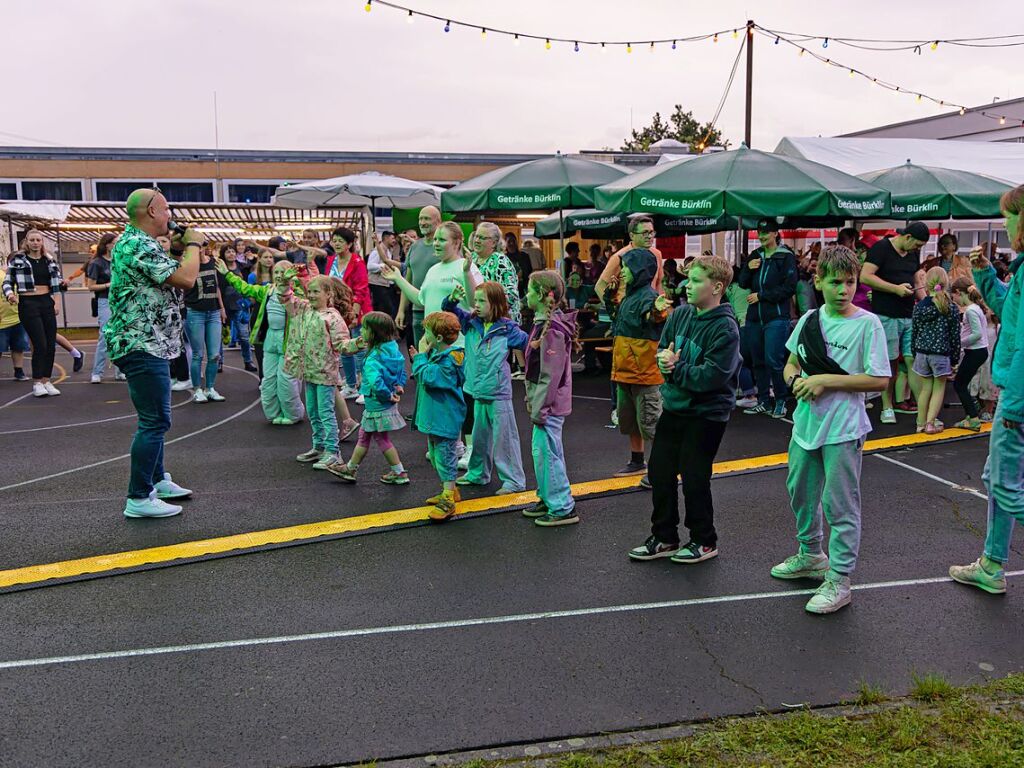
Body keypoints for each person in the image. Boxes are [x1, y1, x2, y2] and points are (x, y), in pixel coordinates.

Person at [769, 246, 891, 614]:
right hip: (806, 423)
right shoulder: (808, 320)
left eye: (849, 282)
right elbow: (790, 365)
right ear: (818, 281)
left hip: (844, 427)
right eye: (835, 282)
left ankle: (840, 578)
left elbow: (880, 380)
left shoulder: (868, 324)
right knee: (800, 492)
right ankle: (811, 553)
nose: (842, 289)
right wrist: (796, 384)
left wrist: (825, 379)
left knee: (839, 503)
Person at [627, 256, 741, 563]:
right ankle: (665, 537)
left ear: (717, 287)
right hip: (676, 406)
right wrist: (666, 362)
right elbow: (664, 350)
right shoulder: (680, 315)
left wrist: (676, 368)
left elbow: (712, 377)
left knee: (694, 477)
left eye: (695, 280)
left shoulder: (726, 329)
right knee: (660, 471)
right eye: (687, 279)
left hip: (707, 414)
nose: (686, 285)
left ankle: (704, 540)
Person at [103, 188, 200, 518]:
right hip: (142, 344)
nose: (171, 215)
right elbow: (186, 278)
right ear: (151, 212)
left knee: (155, 419)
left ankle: (157, 480)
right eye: (167, 209)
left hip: (150, 342)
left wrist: (184, 248)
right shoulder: (137, 244)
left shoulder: (136, 243)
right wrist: (194, 244)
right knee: (155, 420)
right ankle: (139, 497)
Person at [949, 185, 1024, 597]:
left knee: (1003, 484)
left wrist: (1012, 404)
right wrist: (985, 276)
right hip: (1015, 395)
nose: (1006, 224)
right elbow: (1010, 309)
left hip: (1018, 400)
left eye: (1010, 216)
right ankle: (992, 565)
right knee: (999, 481)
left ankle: (992, 565)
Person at [443, 280, 529, 495]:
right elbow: (448, 308)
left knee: (505, 439)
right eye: (476, 300)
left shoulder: (508, 329)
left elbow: (529, 344)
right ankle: (478, 473)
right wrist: (453, 298)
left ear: (495, 303)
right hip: (476, 389)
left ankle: (514, 480)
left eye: (482, 301)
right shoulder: (471, 323)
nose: (477, 305)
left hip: (498, 393)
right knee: (480, 436)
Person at [215, 256, 306, 425]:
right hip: (270, 338)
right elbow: (245, 288)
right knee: (269, 380)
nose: (279, 275)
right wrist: (227, 274)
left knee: (286, 380)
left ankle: (293, 414)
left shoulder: (298, 293)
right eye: (276, 272)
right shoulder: (267, 291)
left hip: (290, 341)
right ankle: (273, 413)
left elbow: (302, 301)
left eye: (283, 271)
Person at [520, 270, 579, 527]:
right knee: (543, 452)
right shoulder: (543, 325)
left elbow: (550, 374)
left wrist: (540, 407)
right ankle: (548, 496)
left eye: (531, 290)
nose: (526, 295)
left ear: (545, 296)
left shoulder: (551, 329)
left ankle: (562, 505)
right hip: (545, 403)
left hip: (549, 406)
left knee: (548, 454)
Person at [860, 221, 931, 424]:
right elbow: (865, 276)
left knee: (912, 361)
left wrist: (928, 303)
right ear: (907, 238)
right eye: (917, 245)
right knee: (889, 363)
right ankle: (887, 406)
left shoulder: (912, 253)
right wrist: (894, 289)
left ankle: (923, 410)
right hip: (886, 314)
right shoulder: (881, 248)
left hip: (909, 314)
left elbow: (917, 280)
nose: (918, 250)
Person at [608, 249, 670, 478]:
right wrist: (610, 294)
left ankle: (661, 468)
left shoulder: (648, 297)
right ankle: (637, 460)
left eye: (626, 267)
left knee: (651, 423)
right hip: (625, 372)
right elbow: (616, 317)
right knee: (631, 421)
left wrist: (657, 310)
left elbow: (654, 315)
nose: (622, 272)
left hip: (644, 373)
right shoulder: (627, 296)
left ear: (639, 271)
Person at [327, 311, 409, 484]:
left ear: (374, 333)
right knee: (365, 435)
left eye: (365, 328)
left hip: (376, 404)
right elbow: (402, 370)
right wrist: (398, 386)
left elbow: (376, 382)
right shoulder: (393, 348)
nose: (361, 332)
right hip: (386, 401)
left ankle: (399, 472)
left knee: (381, 438)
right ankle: (351, 468)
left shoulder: (373, 358)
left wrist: (387, 395)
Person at [281, 274, 351, 470]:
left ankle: (333, 452)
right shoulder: (303, 309)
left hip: (325, 372)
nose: (311, 295)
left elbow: (341, 343)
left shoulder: (332, 317)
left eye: (315, 292)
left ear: (328, 293)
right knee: (312, 411)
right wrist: (285, 283)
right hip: (309, 371)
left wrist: (356, 344)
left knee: (325, 412)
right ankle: (319, 447)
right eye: (309, 291)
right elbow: (285, 297)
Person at [737, 219, 798, 419]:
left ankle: (780, 400)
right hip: (755, 317)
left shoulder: (785, 257)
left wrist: (762, 296)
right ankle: (763, 400)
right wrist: (748, 267)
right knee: (758, 361)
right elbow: (743, 282)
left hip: (776, 317)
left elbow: (789, 288)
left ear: (775, 234)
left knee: (774, 360)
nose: (762, 236)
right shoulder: (756, 256)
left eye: (765, 233)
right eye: (759, 233)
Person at [412, 311, 467, 521]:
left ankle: (448, 499)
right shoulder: (439, 356)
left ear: (439, 338)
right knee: (436, 457)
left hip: (444, 418)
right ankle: (451, 490)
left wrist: (419, 357)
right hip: (436, 418)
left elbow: (428, 377)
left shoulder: (450, 361)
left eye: (427, 332)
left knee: (444, 456)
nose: (424, 336)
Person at [2, 229, 67, 396]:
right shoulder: (18, 260)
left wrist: (57, 301)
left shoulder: (49, 260)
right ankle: (37, 382)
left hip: (46, 301)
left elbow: (57, 284)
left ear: (42, 242)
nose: (35, 243)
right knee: (40, 344)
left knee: (50, 345)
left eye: (38, 240)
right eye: (32, 240)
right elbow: (8, 282)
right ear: (27, 242)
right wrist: (10, 294)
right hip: (28, 302)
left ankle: (47, 380)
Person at [911, 266, 961, 435]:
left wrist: (914, 351)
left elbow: (915, 331)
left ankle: (920, 423)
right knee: (939, 389)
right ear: (946, 282)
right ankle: (931, 423)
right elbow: (955, 335)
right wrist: (954, 358)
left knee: (925, 388)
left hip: (922, 352)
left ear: (926, 283)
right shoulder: (951, 307)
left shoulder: (919, 307)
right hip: (941, 354)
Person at [328, 226, 372, 400]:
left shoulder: (357, 262)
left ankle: (365, 388)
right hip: (338, 312)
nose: (337, 243)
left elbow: (361, 290)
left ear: (350, 244)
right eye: (335, 240)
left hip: (357, 310)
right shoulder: (331, 260)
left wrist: (353, 314)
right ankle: (351, 385)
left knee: (360, 348)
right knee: (343, 348)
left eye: (341, 241)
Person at [183, 243, 227, 403]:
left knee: (214, 354)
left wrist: (222, 308)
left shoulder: (213, 262)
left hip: (213, 312)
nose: (199, 249)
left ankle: (210, 388)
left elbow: (217, 288)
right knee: (197, 354)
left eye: (202, 246)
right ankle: (197, 389)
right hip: (195, 312)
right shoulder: (187, 265)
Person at [949, 277, 990, 432]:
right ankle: (971, 413)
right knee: (962, 383)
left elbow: (977, 334)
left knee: (959, 384)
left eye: (954, 296)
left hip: (975, 351)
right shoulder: (976, 308)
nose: (954, 300)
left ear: (959, 292)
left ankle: (973, 418)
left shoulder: (970, 311)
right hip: (979, 351)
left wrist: (960, 343)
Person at [595, 216, 664, 306]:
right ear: (632, 235)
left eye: (651, 232)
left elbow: (659, 283)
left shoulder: (657, 254)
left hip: (649, 313)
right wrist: (614, 312)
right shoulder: (619, 256)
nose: (649, 236)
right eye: (644, 233)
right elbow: (599, 286)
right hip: (627, 313)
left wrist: (660, 309)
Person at [86, 233, 121, 383]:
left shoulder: (120, 260)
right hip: (105, 300)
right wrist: (108, 285)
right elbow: (90, 286)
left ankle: (120, 371)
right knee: (105, 336)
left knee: (121, 337)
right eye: (115, 243)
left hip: (121, 301)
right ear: (107, 245)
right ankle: (97, 372)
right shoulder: (97, 263)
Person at [470, 221, 522, 324]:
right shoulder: (471, 258)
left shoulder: (501, 261)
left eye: (482, 238)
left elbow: (511, 295)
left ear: (494, 243)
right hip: (477, 321)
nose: (477, 240)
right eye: (476, 236)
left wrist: (491, 309)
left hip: (501, 323)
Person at [0, 261, 30, 381]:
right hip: (2, 321)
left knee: (18, 346)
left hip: (17, 317)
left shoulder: (18, 276)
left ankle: (19, 371)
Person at [366, 231, 401, 319]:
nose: (394, 241)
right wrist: (383, 266)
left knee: (389, 310)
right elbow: (369, 266)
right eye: (392, 238)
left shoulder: (388, 250)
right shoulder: (377, 250)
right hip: (378, 285)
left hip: (386, 285)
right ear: (386, 238)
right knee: (384, 311)